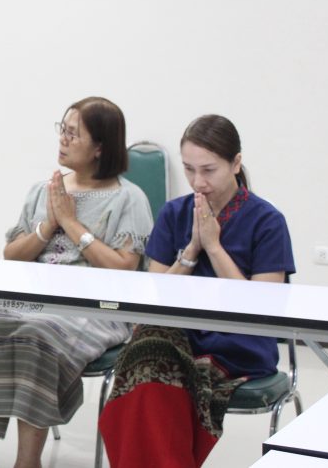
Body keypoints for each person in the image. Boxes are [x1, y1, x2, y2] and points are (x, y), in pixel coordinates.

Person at [0, 97, 152, 468]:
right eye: (63, 129)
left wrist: (71, 223)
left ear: (99, 147)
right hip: (34, 301)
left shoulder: (129, 198)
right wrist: (48, 225)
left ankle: (28, 462)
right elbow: (12, 255)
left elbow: (124, 268)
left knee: (36, 338)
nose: (63, 139)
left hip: (95, 308)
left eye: (73, 134)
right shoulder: (42, 191)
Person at [98, 115, 295, 468]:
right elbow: (155, 297)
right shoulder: (174, 213)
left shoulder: (267, 221)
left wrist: (214, 247)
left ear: (236, 163)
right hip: (178, 333)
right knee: (147, 363)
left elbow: (262, 309)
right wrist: (190, 250)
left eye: (208, 170)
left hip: (238, 343)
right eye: (189, 170)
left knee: (159, 373)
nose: (197, 182)